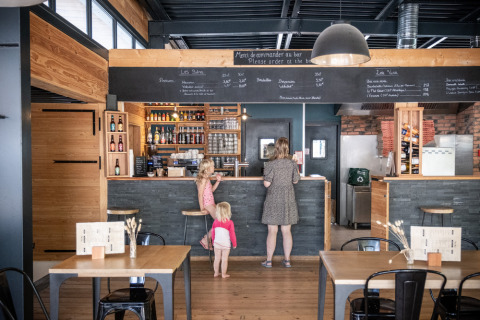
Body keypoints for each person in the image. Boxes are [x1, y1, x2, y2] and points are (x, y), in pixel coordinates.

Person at [261, 137, 300, 268]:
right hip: (288, 199)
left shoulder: (271, 164)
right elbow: (295, 181)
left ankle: (269, 261)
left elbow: (266, 184)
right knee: (286, 231)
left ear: (276, 148)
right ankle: (287, 260)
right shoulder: (292, 164)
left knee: (272, 231)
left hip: (273, 199)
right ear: (287, 148)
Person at [196, 158, 222, 250]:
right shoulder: (203, 179)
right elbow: (200, 194)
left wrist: (218, 181)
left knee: (220, 221)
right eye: (212, 166)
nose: (214, 167)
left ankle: (207, 239)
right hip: (207, 204)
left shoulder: (207, 178)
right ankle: (206, 239)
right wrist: (202, 208)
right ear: (207, 168)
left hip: (211, 202)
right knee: (220, 221)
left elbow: (211, 190)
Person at [211, 201, 237, 278]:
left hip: (216, 244)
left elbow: (213, 233)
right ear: (228, 211)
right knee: (224, 260)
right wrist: (234, 244)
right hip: (226, 245)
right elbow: (232, 234)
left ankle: (216, 273)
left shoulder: (215, 222)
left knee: (217, 258)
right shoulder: (230, 223)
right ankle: (223, 274)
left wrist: (213, 242)